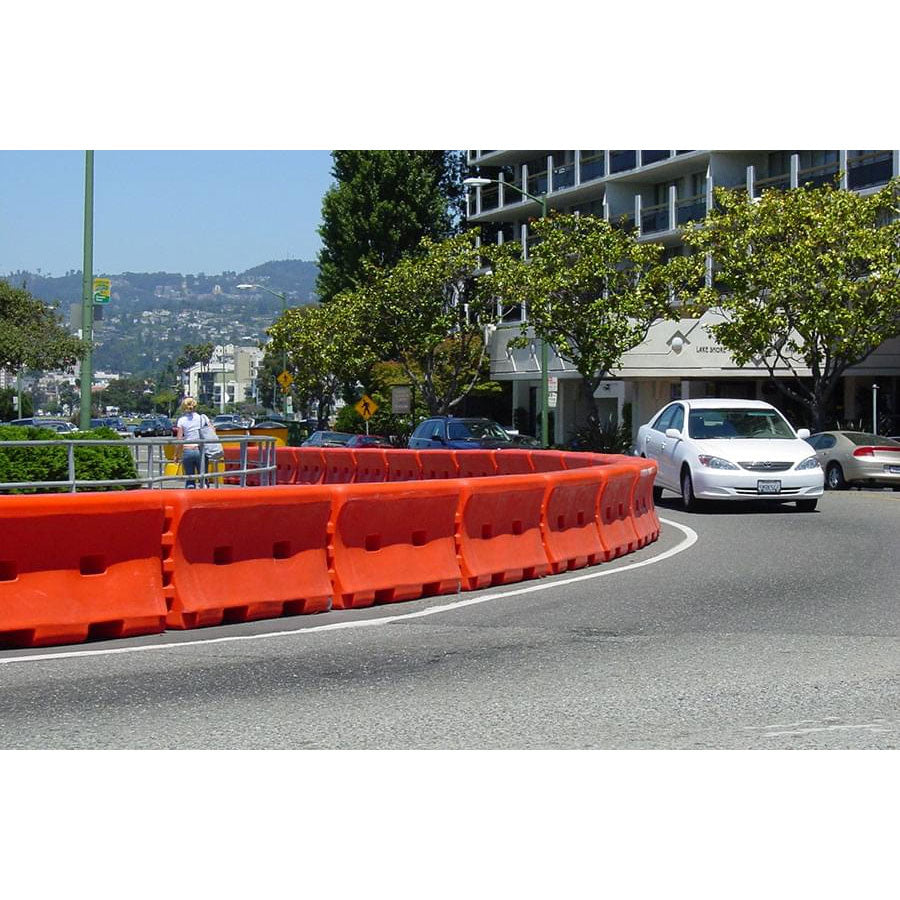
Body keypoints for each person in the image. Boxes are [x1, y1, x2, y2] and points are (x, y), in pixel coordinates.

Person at [175, 397, 205, 488]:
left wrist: (176, 455)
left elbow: (179, 439)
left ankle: (191, 495)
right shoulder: (201, 418)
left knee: (190, 478)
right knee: (203, 477)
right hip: (200, 449)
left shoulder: (181, 420)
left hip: (187, 450)